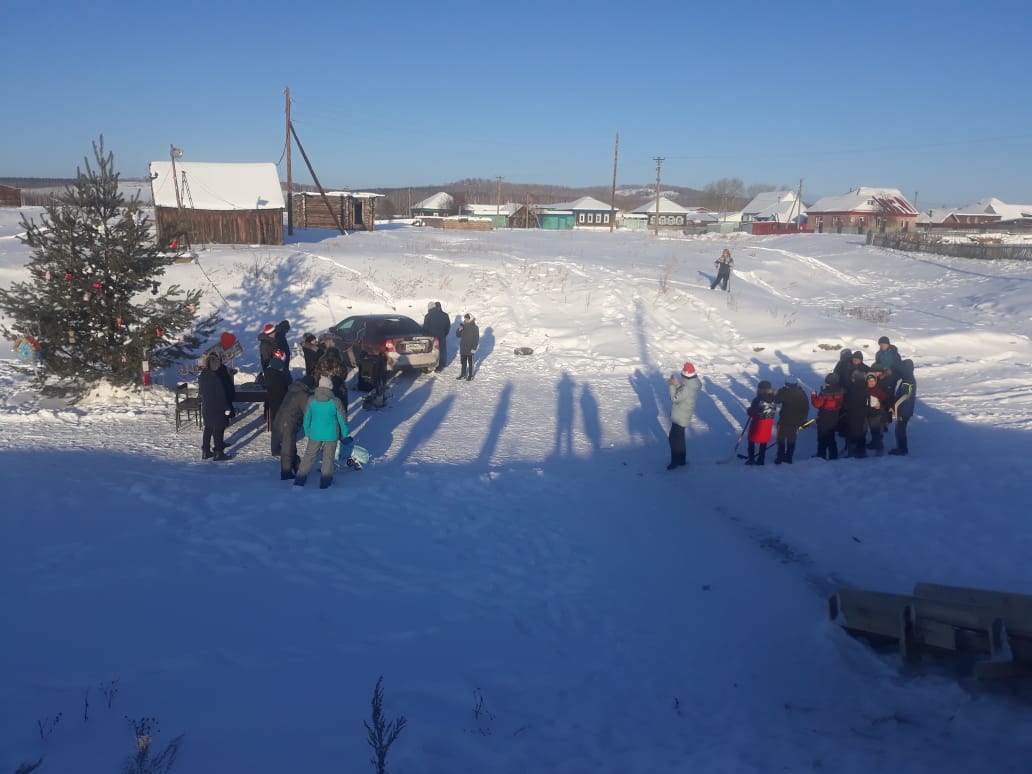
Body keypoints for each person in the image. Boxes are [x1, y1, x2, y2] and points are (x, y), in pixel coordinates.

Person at [294, 376, 351, 489]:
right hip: (331, 434)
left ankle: (299, 481)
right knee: (328, 459)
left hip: (315, 433)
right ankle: (325, 483)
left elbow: (307, 418)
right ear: (330, 387)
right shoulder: (335, 401)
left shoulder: (311, 400)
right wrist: (344, 434)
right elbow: (342, 419)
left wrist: (308, 431)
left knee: (308, 457)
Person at [276, 373, 316, 480]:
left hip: (282, 420)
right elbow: (307, 412)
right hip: (289, 423)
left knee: (290, 446)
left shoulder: (294, 389)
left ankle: (295, 465)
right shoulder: (303, 395)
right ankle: (286, 472)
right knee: (287, 447)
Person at [198, 352, 234, 461]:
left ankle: (205, 451)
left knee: (208, 428)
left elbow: (201, 392)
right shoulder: (216, 378)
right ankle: (218, 453)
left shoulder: (202, 375)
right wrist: (227, 408)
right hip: (218, 408)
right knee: (218, 429)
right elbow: (221, 395)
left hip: (207, 406)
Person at [666, 361, 701, 470]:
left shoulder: (688, 388)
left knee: (674, 440)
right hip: (682, 416)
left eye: (682, 376)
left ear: (687, 376)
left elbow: (675, 398)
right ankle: (681, 460)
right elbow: (682, 392)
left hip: (680, 417)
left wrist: (671, 385)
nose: (682, 378)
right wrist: (677, 384)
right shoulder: (692, 384)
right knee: (679, 439)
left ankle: (675, 462)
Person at [773, 378, 809, 464]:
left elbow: (776, 400)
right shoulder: (802, 393)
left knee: (781, 438)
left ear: (787, 385)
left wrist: (780, 391)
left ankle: (780, 457)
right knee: (791, 439)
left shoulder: (787, 393)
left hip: (785, 420)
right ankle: (789, 457)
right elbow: (806, 407)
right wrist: (803, 419)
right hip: (796, 421)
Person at [264, 349, 293, 456]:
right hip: (283, 398)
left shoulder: (268, 369)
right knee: (284, 423)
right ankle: (281, 445)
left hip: (272, 398)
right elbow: (289, 382)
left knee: (275, 422)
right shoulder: (283, 369)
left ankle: (275, 447)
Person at [811, 373, 844, 460]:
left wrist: (814, 396)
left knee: (822, 438)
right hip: (835, 416)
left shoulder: (825, 393)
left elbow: (817, 404)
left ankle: (821, 456)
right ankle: (833, 455)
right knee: (831, 438)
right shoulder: (841, 391)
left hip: (824, 417)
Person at [888, 358, 916, 455]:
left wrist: (895, 405)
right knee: (899, 429)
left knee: (900, 430)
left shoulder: (908, 381)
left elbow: (906, 396)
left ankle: (902, 449)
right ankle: (901, 448)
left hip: (904, 410)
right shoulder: (906, 379)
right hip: (903, 409)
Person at [745, 380, 776, 465]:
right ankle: (761, 460)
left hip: (758, 422)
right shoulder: (773, 399)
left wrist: (749, 410)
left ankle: (751, 459)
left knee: (751, 439)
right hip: (768, 422)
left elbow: (753, 412)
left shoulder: (757, 400)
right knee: (763, 441)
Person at [864, 372, 890, 454]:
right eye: (870, 381)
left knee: (875, 431)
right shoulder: (864, 389)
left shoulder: (878, 390)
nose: (871, 383)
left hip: (876, 414)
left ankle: (879, 448)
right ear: (866, 381)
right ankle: (871, 444)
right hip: (866, 414)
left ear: (876, 381)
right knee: (864, 431)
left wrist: (881, 406)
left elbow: (885, 399)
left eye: (873, 381)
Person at [423, 301, 451, 372]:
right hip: (441, 336)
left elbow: (425, 328)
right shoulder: (445, 315)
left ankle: (431, 365)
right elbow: (447, 327)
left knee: (432, 351)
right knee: (442, 350)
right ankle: (441, 365)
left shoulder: (427, 316)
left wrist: (426, 336)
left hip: (431, 337)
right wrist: (444, 334)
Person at [456, 313, 480, 381]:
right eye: (465, 318)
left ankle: (470, 375)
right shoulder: (463, 326)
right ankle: (463, 374)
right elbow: (458, 335)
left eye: (467, 319)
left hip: (470, 348)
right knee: (463, 362)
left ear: (471, 319)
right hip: (463, 347)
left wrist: (474, 348)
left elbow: (476, 339)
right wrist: (459, 330)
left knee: (470, 363)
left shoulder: (475, 328)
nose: (465, 320)